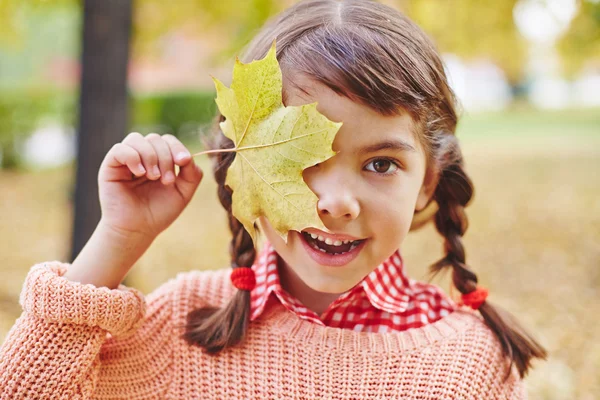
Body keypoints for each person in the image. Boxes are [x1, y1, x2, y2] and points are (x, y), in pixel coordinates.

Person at [0, 0, 547, 398]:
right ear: (244, 164)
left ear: (428, 180)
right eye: (302, 161)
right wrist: (119, 239)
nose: (336, 202)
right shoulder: (184, 326)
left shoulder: (468, 362)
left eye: (380, 164)